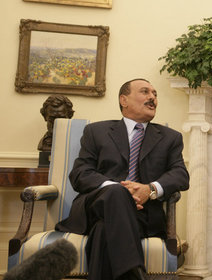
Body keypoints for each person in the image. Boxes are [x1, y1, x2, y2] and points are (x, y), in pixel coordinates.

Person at [55, 78, 190, 280]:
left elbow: (181, 174)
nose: (152, 97)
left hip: (141, 214)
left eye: (155, 94)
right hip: (94, 207)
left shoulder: (170, 137)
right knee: (117, 193)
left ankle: (131, 274)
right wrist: (118, 190)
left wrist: (150, 189)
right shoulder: (96, 132)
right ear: (123, 100)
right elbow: (80, 173)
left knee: (102, 231)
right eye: (145, 92)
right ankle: (135, 272)